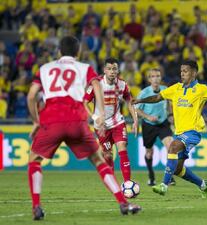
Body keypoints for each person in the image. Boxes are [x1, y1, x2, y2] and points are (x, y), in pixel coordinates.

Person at [27, 36, 140, 220]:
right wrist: (100, 115)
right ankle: (123, 203)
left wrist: (37, 121)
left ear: (58, 52)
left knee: (34, 160)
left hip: (51, 120)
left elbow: (32, 96)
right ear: (78, 52)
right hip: (76, 120)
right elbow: (96, 85)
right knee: (99, 161)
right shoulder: (84, 68)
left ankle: (36, 207)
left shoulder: (44, 69)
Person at [131, 60, 207, 198]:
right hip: (179, 133)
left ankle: (163, 185)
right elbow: (158, 97)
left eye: (185, 71)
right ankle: (203, 185)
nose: (182, 74)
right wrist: (140, 100)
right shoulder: (176, 88)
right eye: (181, 71)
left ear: (194, 72)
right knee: (177, 169)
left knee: (173, 147)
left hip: (193, 132)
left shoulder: (202, 89)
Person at [84, 57, 138, 183]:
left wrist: (135, 120)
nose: (112, 71)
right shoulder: (96, 84)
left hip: (117, 122)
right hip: (102, 125)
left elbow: (130, 102)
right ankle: (113, 183)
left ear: (118, 70)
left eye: (114, 69)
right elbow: (84, 103)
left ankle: (127, 183)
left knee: (122, 147)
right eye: (109, 69)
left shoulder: (122, 84)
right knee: (107, 154)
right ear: (104, 70)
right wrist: (95, 118)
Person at [135, 68, 175, 186]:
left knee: (171, 147)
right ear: (149, 79)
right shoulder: (144, 93)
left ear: (160, 78)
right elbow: (136, 109)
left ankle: (170, 176)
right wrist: (148, 117)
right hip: (149, 125)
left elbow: (169, 103)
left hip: (163, 123)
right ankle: (151, 176)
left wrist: (171, 114)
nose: (156, 79)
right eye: (153, 76)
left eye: (158, 76)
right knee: (149, 152)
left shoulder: (165, 90)